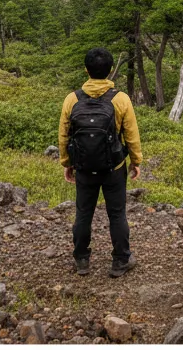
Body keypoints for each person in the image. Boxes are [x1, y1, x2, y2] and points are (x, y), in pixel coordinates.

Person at [58, 47, 142, 277]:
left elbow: (64, 134)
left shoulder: (72, 99)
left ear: (86, 70)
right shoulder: (121, 99)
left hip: (84, 167)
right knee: (117, 214)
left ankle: (82, 260)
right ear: (110, 71)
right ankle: (120, 261)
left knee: (83, 213)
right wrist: (136, 161)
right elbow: (131, 134)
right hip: (114, 167)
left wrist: (67, 162)